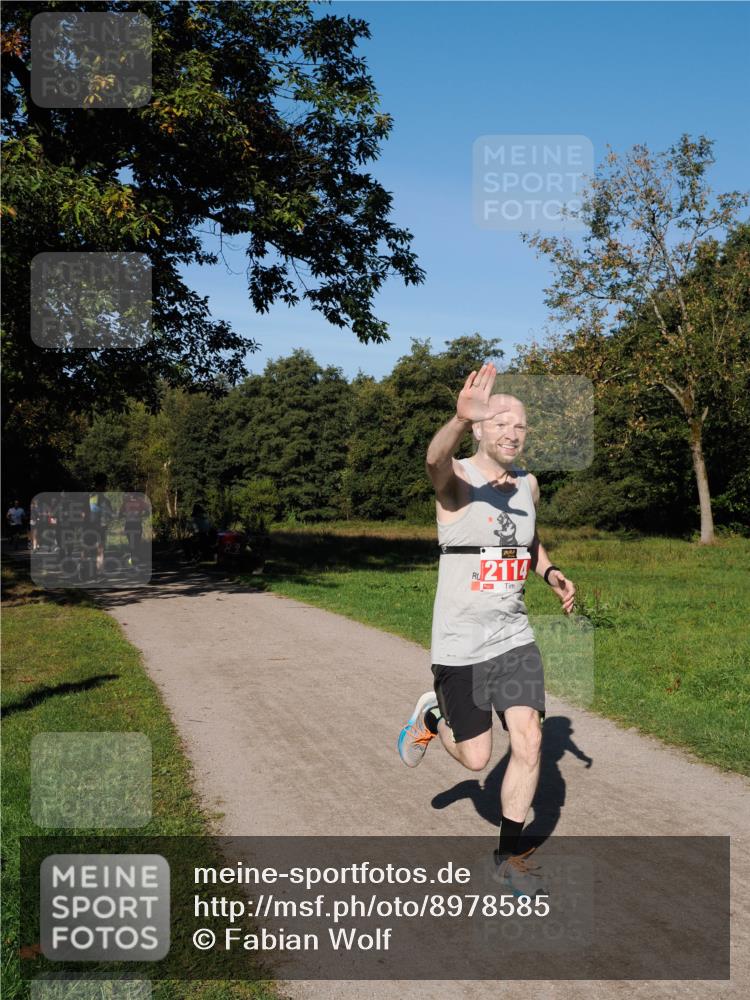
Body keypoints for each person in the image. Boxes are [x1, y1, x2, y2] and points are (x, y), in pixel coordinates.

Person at [397, 362, 576, 898]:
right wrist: (456, 418)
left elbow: (529, 537)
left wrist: (548, 571)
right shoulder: (457, 483)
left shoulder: (529, 484)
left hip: (513, 639)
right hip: (460, 645)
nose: (511, 432)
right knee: (477, 758)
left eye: (519, 426)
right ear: (478, 429)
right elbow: (433, 458)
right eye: (499, 422)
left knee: (530, 741)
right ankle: (433, 714)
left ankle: (507, 859)